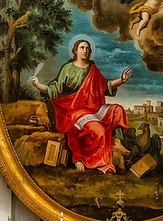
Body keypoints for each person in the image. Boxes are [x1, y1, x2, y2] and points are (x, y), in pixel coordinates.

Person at [30, 39, 132, 173]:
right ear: (75, 50)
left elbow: (105, 86)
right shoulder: (68, 68)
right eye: (82, 47)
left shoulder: (92, 68)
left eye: (88, 48)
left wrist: (121, 80)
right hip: (75, 110)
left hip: (94, 108)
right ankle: (96, 161)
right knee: (100, 131)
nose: (85, 50)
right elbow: (54, 89)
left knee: (117, 109)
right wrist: (38, 85)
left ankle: (117, 142)